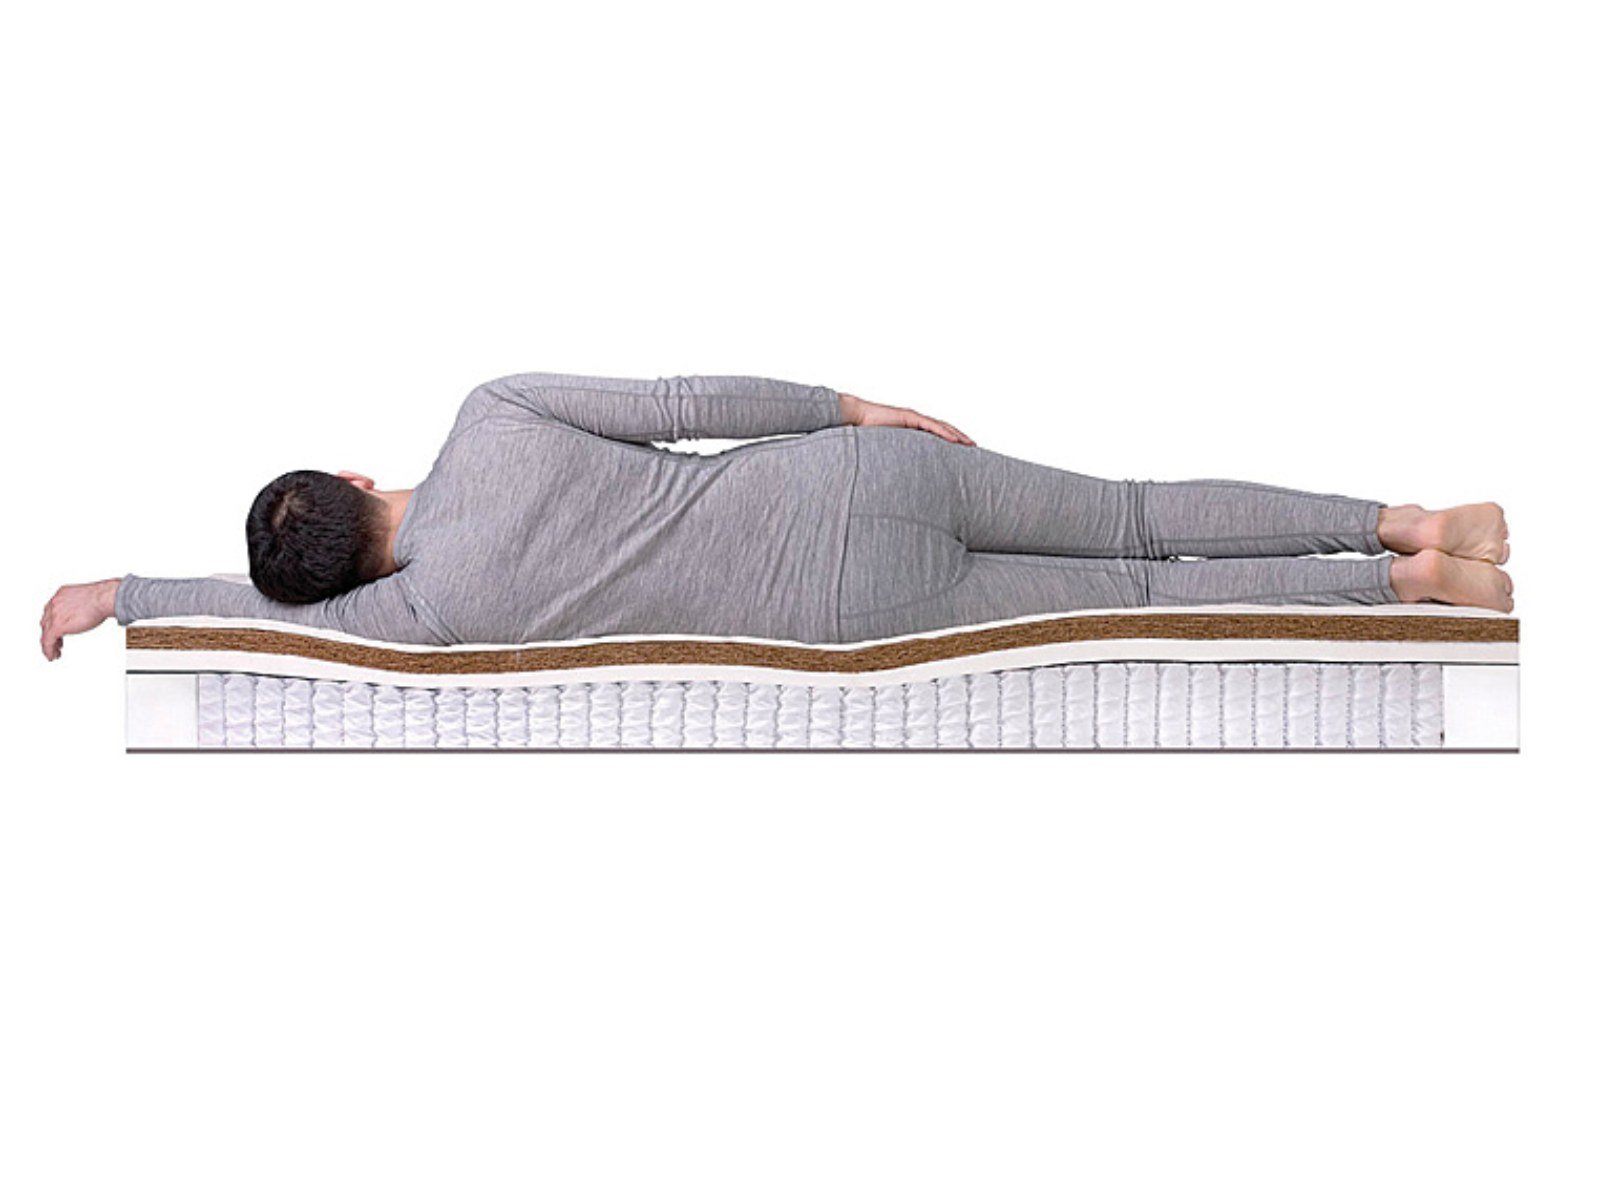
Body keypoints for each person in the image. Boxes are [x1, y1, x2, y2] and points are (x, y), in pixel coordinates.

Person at [39, 373, 1512, 660]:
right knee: (1130, 510)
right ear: (357, 477)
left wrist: (123, 595)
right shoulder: (491, 415)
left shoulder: (426, 613)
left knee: (1126, 597)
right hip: (850, 479)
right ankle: (1400, 518)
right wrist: (850, 407)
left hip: (848, 610)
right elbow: (688, 398)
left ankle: (1407, 595)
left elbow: (265, 613)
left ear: (340, 579)